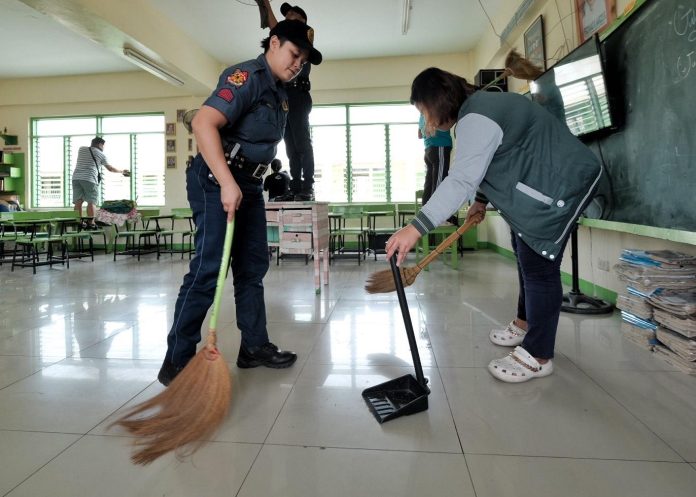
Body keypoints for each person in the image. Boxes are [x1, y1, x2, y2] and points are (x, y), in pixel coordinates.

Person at [385, 67, 602, 383]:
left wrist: (416, 227)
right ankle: (525, 322)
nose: (428, 122)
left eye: (425, 112)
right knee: (524, 251)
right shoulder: (481, 109)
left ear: (438, 100)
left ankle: (539, 355)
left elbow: (460, 179)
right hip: (547, 187)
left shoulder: (477, 117)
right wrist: (481, 201)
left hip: (560, 188)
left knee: (539, 267)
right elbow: (496, 159)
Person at [157, 19, 323, 386]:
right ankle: (177, 360)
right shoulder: (245, 77)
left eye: (304, 60)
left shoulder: (281, 93)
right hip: (216, 178)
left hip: (247, 182)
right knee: (209, 269)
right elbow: (203, 124)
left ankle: (253, 347)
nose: (298, 64)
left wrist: (243, 183)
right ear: (274, 43)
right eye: (295, 54)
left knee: (252, 267)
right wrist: (228, 182)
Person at [258, 1, 317, 201]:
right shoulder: (285, 39)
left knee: (302, 143)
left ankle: (307, 186)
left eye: (290, 16)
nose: (286, 20)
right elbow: (275, 27)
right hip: (285, 96)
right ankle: (296, 188)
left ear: (301, 21)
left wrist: (267, 6)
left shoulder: (304, 39)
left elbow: (275, 27)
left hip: (299, 96)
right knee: (290, 146)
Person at [71, 137, 129, 229]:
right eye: (103, 145)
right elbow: (110, 169)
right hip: (89, 179)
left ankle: (79, 222)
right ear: (100, 144)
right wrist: (121, 171)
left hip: (76, 178)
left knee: (78, 201)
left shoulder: (81, 149)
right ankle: (91, 223)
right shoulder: (101, 154)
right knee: (92, 201)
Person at [418, 113, 457, 226]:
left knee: (430, 185)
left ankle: (425, 217)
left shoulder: (422, 113)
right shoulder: (437, 107)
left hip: (429, 149)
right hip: (439, 145)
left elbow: (420, 134)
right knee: (439, 183)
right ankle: (437, 218)